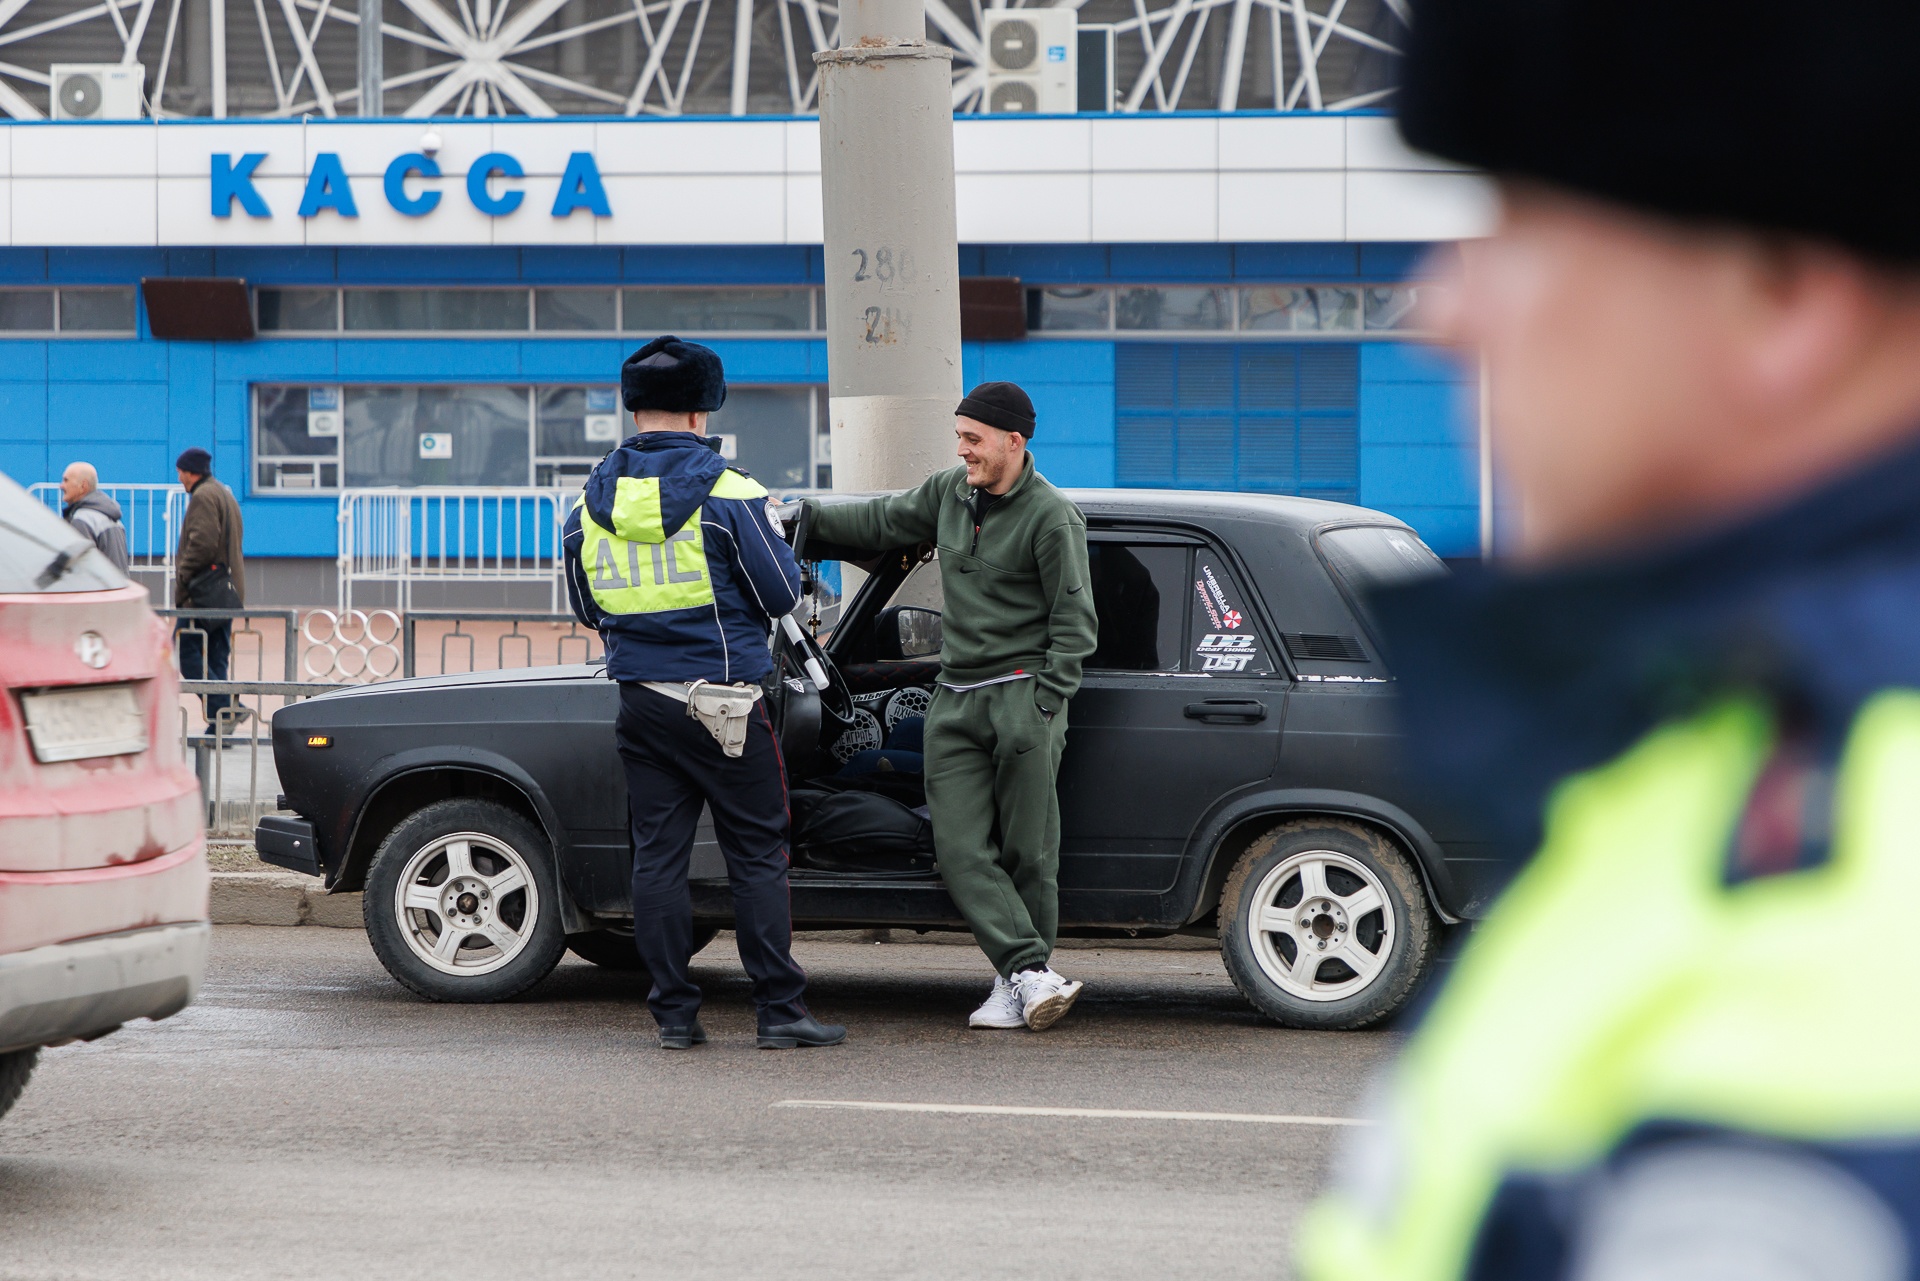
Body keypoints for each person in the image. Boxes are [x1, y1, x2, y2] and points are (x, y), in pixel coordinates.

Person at [1298, 2, 1920, 1279]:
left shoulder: (1849, 848)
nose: (1442, 316)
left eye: (1521, 228)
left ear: (1783, 292)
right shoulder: (1737, 737)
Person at [562, 336, 845, 1052]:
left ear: (635, 409)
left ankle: (674, 1015)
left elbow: (588, 609)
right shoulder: (731, 492)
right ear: (702, 409)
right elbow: (782, 594)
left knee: (658, 856)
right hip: (727, 706)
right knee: (756, 853)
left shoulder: (588, 502)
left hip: (641, 701)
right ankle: (780, 1009)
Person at [803, 383, 1098, 1032]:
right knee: (960, 848)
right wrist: (801, 519)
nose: (961, 449)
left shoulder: (1052, 517)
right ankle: (1029, 972)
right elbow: (880, 520)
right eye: (959, 436)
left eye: (974, 438)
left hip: (1022, 699)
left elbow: (1076, 628)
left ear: (1014, 442)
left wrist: (1044, 706)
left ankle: (1011, 980)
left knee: (1029, 852)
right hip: (955, 702)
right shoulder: (948, 493)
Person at [172, 447, 245, 733]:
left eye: (180, 472)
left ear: (191, 472)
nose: (179, 478)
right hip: (226, 591)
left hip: (204, 594)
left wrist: (184, 575)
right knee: (215, 657)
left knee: (187, 653)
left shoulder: (203, 496)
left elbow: (202, 544)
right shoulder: (223, 493)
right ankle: (220, 727)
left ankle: (227, 707)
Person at [59, 461, 128, 573]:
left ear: (83, 486)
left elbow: (79, 568)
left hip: (97, 589)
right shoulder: (110, 517)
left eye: (66, 480)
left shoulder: (83, 520)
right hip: (116, 587)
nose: (61, 486)